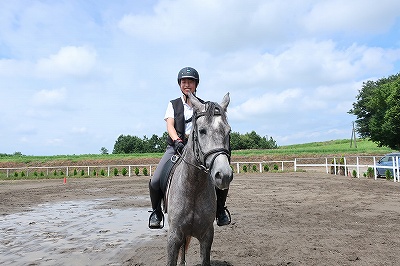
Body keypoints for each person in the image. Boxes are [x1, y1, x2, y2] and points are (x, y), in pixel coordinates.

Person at [148, 66, 231, 229]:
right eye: (184, 82)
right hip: (176, 147)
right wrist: (177, 140)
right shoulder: (173, 104)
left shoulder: (205, 106)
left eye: (190, 82)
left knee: (220, 173)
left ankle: (220, 209)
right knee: (156, 179)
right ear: (180, 84)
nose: (187, 85)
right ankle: (156, 212)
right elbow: (170, 125)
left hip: (200, 149)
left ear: (196, 84)